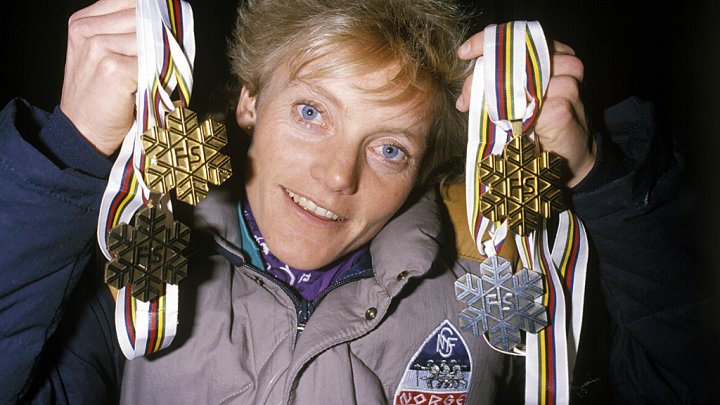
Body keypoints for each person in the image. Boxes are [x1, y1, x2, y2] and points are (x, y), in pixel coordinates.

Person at [1, 0, 710, 404]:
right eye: (312, 111)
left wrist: (596, 176)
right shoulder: (140, 281)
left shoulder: (486, 288)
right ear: (250, 100)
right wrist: (70, 153)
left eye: (391, 148)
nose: (338, 175)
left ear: (430, 165)